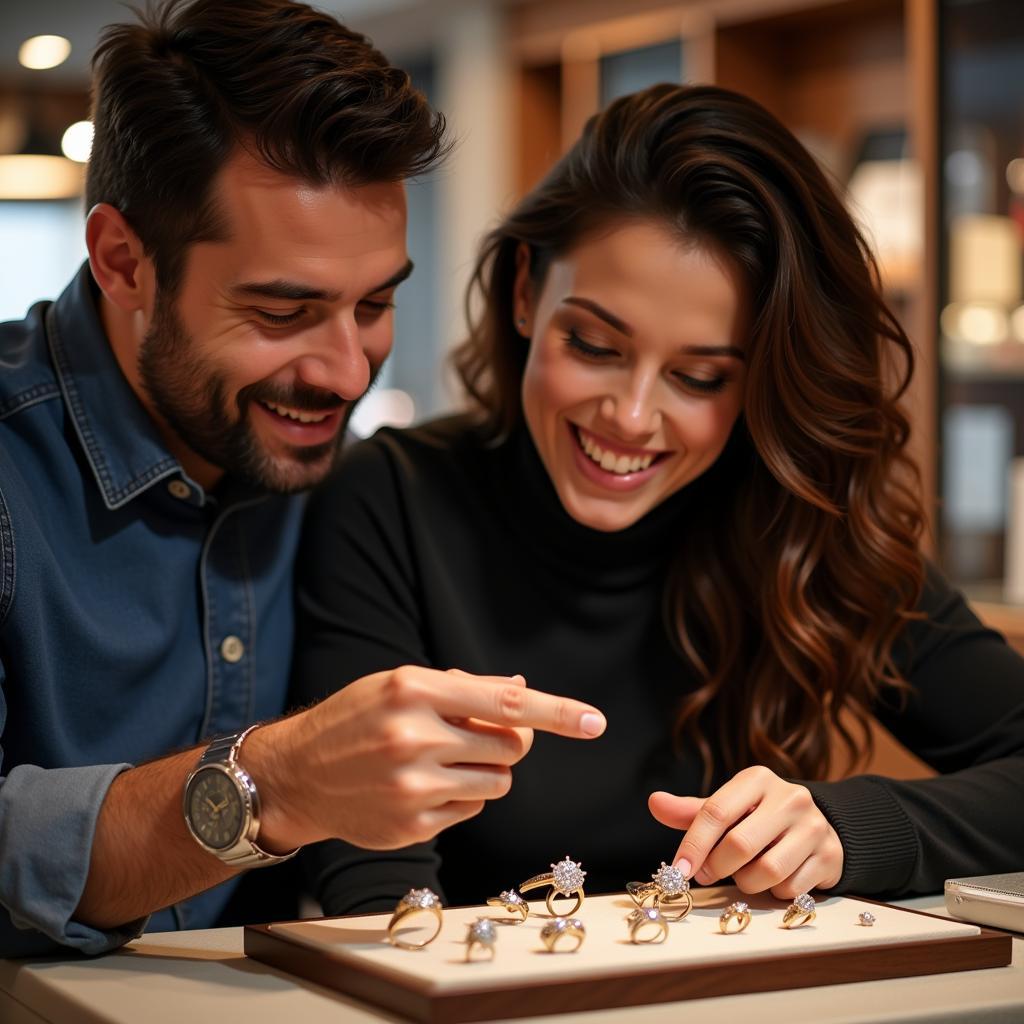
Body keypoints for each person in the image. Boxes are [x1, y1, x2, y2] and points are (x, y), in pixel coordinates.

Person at [293, 83, 1024, 916]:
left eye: (700, 376)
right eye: (595, 344)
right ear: (527, 292)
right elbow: (374, 889)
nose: (633, 418)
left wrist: (849, 829)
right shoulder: (390, 498)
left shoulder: (797, 521)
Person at [0, 0, 607, 958]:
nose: (349, 373)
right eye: (284, 311)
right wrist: (266, 785)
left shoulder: (355, 482)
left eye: (375, 303)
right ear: (124, 261)